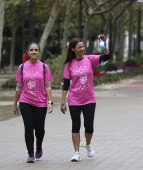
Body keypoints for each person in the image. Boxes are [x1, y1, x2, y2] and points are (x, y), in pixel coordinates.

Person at [60, 34, 110, 162]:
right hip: (74, 99)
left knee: (89, 126)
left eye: (83, 46)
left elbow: (106, 57)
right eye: (79, 47)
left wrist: (104, 44)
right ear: (73, 49)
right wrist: (62, 102)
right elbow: (66, 84)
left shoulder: (90, 59)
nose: (82, 49)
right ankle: (76, 152)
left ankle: (88, 144)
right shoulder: (69, 64)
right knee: (75, 125)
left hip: (89, 99)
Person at [13, 42, 53, 163]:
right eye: (31, 50)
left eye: (36, 50)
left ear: (39, 52)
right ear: (28, 52)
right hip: (25, 101)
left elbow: (48, 86)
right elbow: (19, 87)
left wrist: (50, 101)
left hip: (41, 102)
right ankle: (30, 154)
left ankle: (39, 146)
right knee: (29, 126)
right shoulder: (22, 67)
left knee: (39, 128)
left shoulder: (44, 67)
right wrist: (15, 104)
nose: (34, 52)